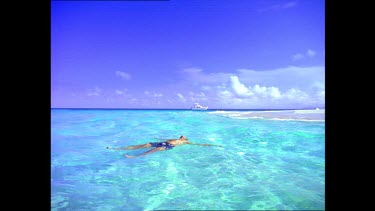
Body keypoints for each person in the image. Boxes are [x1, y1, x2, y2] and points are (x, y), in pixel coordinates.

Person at [106, 135, 223, 158]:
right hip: (162, 143)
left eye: (183, 136)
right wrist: (159, 138)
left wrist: (213, 145)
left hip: (168, 146)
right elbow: (164, 139)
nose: (182, 136)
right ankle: (117, 148)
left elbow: (200, 144)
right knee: (143, 145)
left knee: (153, 150)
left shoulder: (185, 142)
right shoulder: (176, 138)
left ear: (185, 139)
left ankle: (135, 157)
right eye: (182, 135)